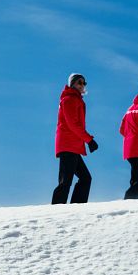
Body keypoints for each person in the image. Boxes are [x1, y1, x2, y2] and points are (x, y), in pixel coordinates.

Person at [51, 73, 97, 204]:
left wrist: (87, 141)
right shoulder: (70, 99)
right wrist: (89, 140)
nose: (82, 85)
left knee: (85, 178)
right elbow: (73, 124)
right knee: (66, 181)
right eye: (79, 82)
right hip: (68, 144)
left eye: (84, 83)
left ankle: (76, 207)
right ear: (72, 84)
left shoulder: (76, 99)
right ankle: (56, 210)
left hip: (73, 145)